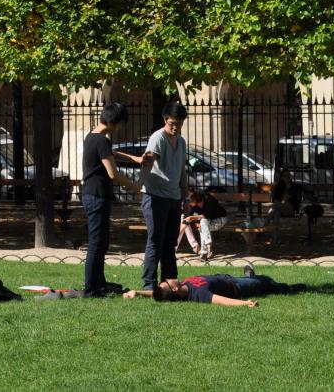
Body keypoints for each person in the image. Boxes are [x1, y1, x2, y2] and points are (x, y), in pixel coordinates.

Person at [80, 102, 143, 297]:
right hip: (96, 196)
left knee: (102, 242)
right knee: (97, 243)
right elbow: (113, 173)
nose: (121, 127)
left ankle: (99, 283)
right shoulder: (101, 140)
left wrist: (136, 159)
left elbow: (112, 153)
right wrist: (136, 187)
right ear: (116, 122)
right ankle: (92, 288)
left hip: (94, 195)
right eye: (122, 123)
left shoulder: (93, 137)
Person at [139, 101, 189, 290]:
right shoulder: (157, 138)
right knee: (155, 241)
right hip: (155, 196)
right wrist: (139, 185)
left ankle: (170, 282)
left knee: (170, 243)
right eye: (172, 124)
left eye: (179, 124)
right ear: (165, 120)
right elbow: (148, 162)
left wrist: (186, 197)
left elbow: (182, 171)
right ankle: (149, 285)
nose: (176, 127)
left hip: (174, 198)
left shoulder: (181, 142)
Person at [123, 267, 306, 305]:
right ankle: (292, 288)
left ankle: (250, 276)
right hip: (238, 287)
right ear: (175, 289)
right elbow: (223, 301)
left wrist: (137, 292)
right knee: (266, 282)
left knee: (259, 280)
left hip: (228, 278)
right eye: (167, 281)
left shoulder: (182, 286)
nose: (168, 278)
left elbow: (158, 293)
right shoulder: (198, 294)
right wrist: (245, 303)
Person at [178, 189, 227, 261]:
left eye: (190, 201)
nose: (189, 203)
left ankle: (205, 251)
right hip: (206, 223)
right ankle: (207, 248)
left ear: (195, 200)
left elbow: (207, 215)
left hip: (219, 220)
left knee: (203, 223)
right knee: (202, 224)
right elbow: (192, 216)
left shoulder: (209, 200)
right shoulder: (195, 206)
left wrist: (192, 218)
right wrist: (196, 222)